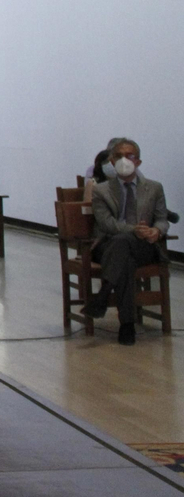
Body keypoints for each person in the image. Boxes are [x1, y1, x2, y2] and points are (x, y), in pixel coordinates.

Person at [84, 138, 170, 345]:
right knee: (125, 256)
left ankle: (104, 294)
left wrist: (156, 231)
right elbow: (107, 224)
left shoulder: (154, 188)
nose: (125, 160)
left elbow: (161, 218)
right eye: (119, 156)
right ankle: (127, 325)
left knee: (124, 248)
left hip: (144, 246)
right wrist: (134, 230)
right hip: (109, 244)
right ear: (111, 162)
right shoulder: (101, 190)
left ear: (138, 162)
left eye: (130, 156)